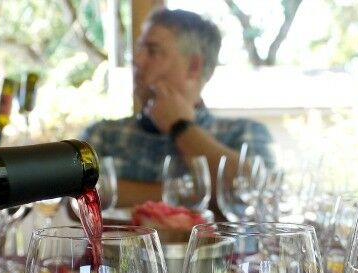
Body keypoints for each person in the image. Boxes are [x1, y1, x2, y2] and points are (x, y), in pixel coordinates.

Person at [81, 8, 274, 207]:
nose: (137, 60)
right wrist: (198, 194)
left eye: (153, 51)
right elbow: (78, 201)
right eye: (139, 49)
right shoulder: (104, 134)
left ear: (194, 66)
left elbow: (255, 197)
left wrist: (181, 126)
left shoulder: (245, 133)